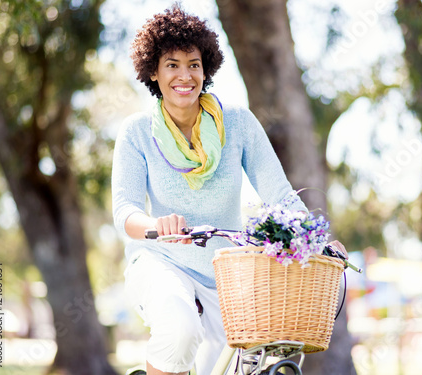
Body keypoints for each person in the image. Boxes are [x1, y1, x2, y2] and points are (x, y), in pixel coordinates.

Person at [112, 5, 347, 375]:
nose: (184, 75)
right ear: (153, 73)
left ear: (206, 69)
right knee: (178, 329)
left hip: (228, 272)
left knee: (231, 365)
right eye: (171, 64)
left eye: (193, 64)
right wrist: (159, 225)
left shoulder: (236, 123)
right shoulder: (137, 131)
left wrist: (317, 239)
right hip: (161, 262)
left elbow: (281, 196)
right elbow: (125, 211)